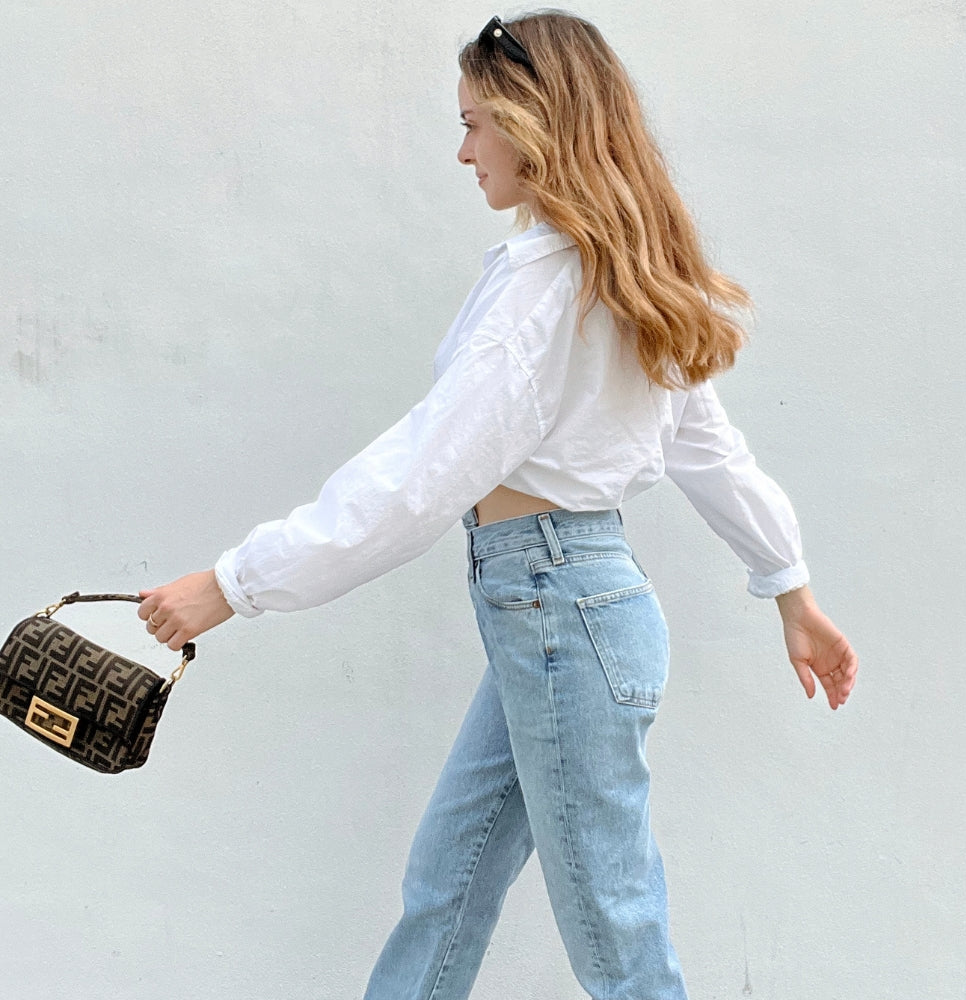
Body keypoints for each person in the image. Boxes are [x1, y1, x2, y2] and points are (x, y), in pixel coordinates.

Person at [138, 12, 858, 999]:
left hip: (560, 615)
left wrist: (232, 585)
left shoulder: (544, 287)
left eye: (476, 122)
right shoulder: (610, 273)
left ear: (535, 124)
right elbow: (708, 448)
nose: (464, 149)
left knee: (612, 922)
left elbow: (422, 474)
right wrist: (790, 589)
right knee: (450, 887)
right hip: (567, 613)